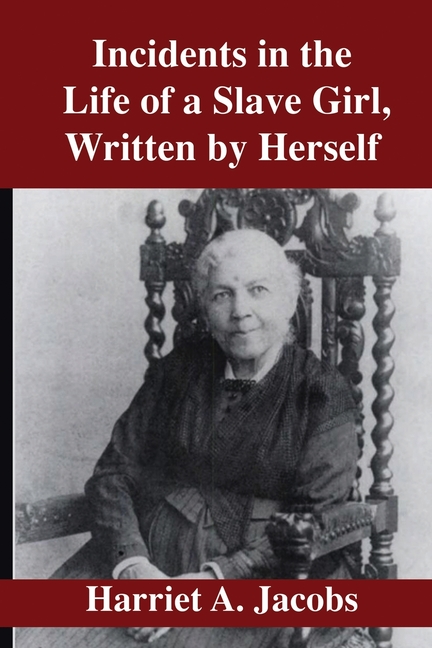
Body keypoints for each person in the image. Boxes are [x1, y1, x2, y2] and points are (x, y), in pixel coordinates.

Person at [17, 230, 372, 648]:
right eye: (222, 295)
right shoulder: (178, 371)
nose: (240, 311)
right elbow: (113, 473)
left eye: (258, 290)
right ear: (205, 307)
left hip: (261, 583)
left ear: (289, 300)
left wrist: (208, 584)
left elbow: (315, 518)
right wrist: (131, 564)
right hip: (145, 566)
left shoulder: (322, 392)